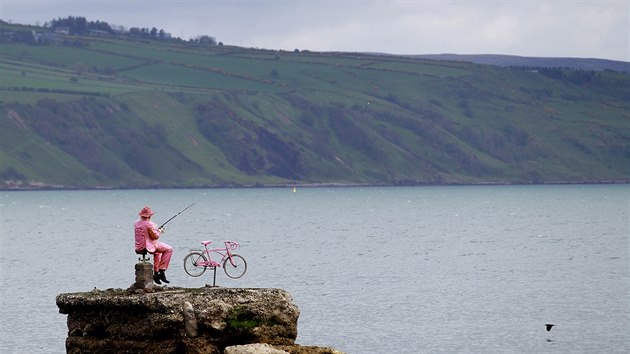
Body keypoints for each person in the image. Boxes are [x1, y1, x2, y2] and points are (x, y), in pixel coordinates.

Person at [134, 206, 173, 284]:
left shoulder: (136, 223)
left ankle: (156, 273)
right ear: (150, 215)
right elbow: (155, 236)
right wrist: (160, 231)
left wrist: (156, 230)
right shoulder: (150, 224)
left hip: (139, 246)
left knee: (158, 253)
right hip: (149, 246)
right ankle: (162, 271)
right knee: (169, 249)